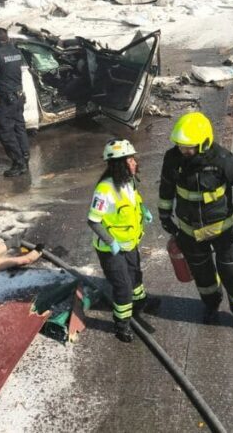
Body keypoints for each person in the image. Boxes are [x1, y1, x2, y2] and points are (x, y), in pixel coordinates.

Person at [158, 112, 233, 335]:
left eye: (188, 147)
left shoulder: (222, 160)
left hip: (224, 232)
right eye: (180, 146)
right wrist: (164, 216)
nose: (183, 151)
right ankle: (211, 305)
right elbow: (166, 189)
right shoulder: (173, 159)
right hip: (190, 234)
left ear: (204, 143)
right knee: (203, 278)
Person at [87, 139, 155, 342]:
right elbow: (93, 221)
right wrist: (111, 242)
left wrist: (144, 210)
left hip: (130, 242)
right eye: (130, 160)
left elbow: (134, 200)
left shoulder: (129, 181)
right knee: (123, 287)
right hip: (111, 249)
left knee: (135, 275)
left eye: (133, 159)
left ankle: (140, 303)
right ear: (119, 164)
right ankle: (121, 324)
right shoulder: (105, 190)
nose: (135, 163)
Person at [0, 27, 30, 177]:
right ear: (7, 38)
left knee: (5, 131)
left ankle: (18, 163)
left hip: (7, 100)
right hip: (19, 97)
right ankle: (25, 157)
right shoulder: (16, 52)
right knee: (19, 128)